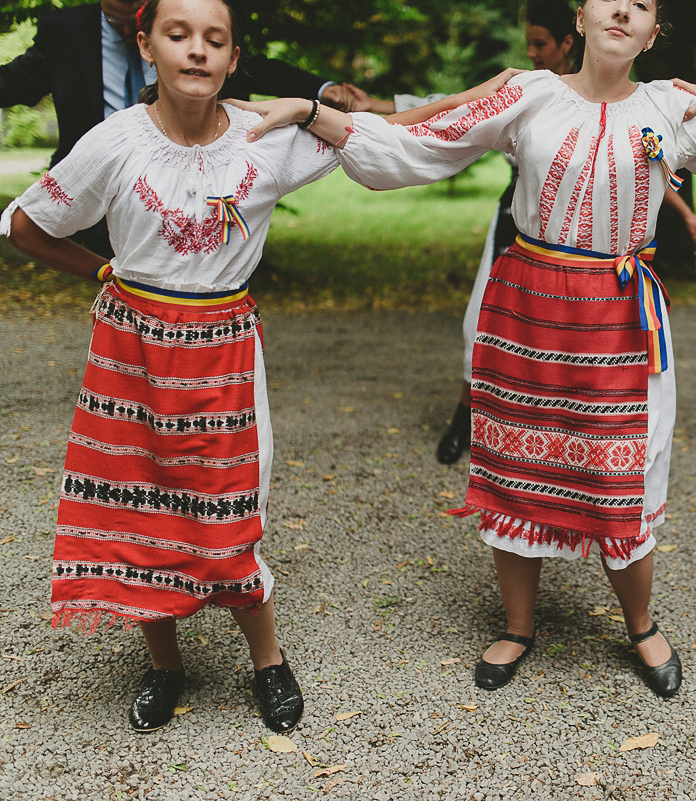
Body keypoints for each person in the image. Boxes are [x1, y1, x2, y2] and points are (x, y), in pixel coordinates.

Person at [234, 0, 696, 699]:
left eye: (641, 5)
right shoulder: (527, 92)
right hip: (527, 305)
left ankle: (641, 626)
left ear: (652, 33)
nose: (622, 11)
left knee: (625, 472)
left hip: (617, 317)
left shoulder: (670, 108)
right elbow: (414, 143)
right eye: (607, 1)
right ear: (579, 17)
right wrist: (308, 109)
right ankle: (518, 626)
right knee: (516, 457)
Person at [0, 0, 504, 734]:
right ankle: (165, 665)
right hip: (131, 355)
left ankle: (268, 661)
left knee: (230, 515)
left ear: (234, 58)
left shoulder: (264, 141)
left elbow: (390, 132)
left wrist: (493, 89)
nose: (197, 51)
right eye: (178, 35)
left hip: (222, 355)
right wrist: (106, 271)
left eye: (215, 39)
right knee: (141, 510)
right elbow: (25, 226)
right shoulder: (113, 142)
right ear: (147, 47)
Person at [0, 0, 381, 256]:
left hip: (190, 196)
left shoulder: (191, 29)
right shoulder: (65, 29)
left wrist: (317, 92)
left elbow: (260, 68)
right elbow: (16, 81)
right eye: (116, 19)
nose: (196, 49)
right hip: (98, 193)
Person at [433, 0, 580, 466]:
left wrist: (688, 217)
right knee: (478, 318)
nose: (533, 52)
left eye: (541, 43)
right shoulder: (524, 89)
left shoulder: (592, 96)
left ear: (568, 44)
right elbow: (463, 110)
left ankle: (546, 429)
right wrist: (376, 111)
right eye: (529, 43)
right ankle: (465, 415)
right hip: (515, 216)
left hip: (570, 228)